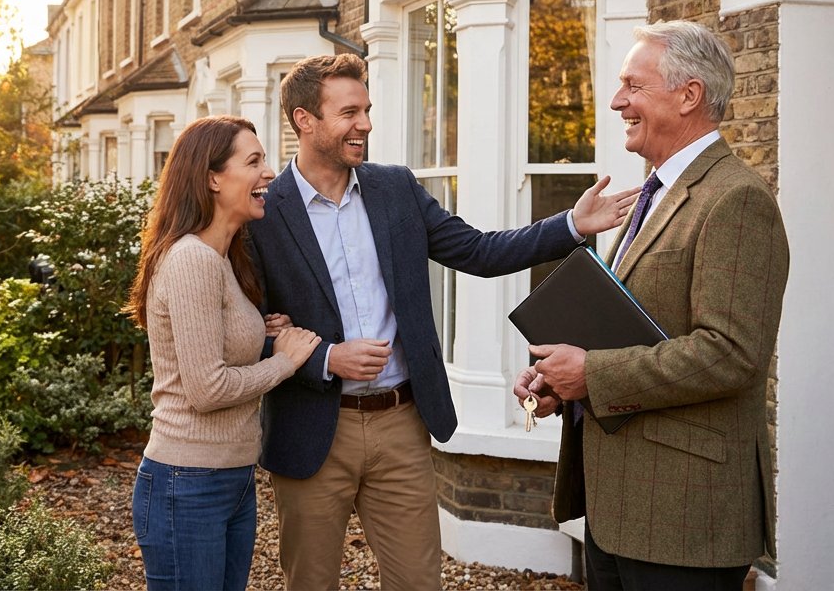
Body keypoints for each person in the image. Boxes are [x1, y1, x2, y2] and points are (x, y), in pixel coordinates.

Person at [245, 53, 639, 591]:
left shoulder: (395, 189)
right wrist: (325, 358)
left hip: (401, 422)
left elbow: (478, 251)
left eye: (367, 110)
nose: (365, 124)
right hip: (312, 427)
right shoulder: (265, 211)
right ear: (303, 120)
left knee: (419, 582)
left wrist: (571, 224)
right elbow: (246, 332)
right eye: (349, 112)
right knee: (310, 583)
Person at [514, 20, 790, 591]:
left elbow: (731, 353)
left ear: (689, 95)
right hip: (618, 508)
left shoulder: (735, 198)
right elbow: (630, 326)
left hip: (684, 515)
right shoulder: (656, 193)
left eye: (632, 86)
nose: (618, 102)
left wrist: (590, 372)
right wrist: (559, 379)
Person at [126, 115, 322, 591]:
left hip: (228, 477)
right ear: (213, 177)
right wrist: (285, 361)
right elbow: (206, 388)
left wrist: (265, 333)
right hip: (186, 482)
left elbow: (220, 346)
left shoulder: (223, 257)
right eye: (253, 161)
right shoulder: (192, 259)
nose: (269, 173)